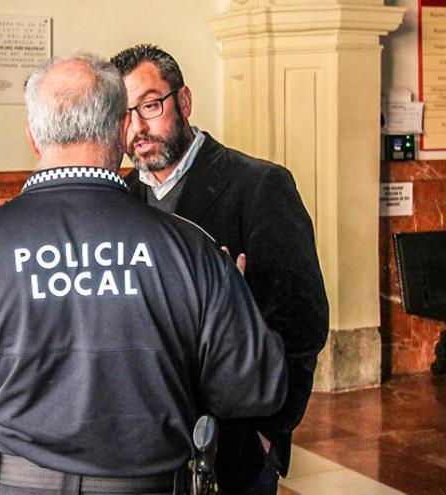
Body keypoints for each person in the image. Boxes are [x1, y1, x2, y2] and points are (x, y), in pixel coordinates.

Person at [0, 53, 287, 495]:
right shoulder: (191, 250)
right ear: (120, 129)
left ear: (33, 137)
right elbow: (254, 391)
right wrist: (237, 315)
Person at [110, 44, 330, 495]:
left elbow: (303, 321)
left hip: (235, 445)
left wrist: (269, 429)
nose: (137, 128)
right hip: (145, 449)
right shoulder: (118, 199)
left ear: (184, 102)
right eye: (123, 113)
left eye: (150, 106)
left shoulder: (259, 186)